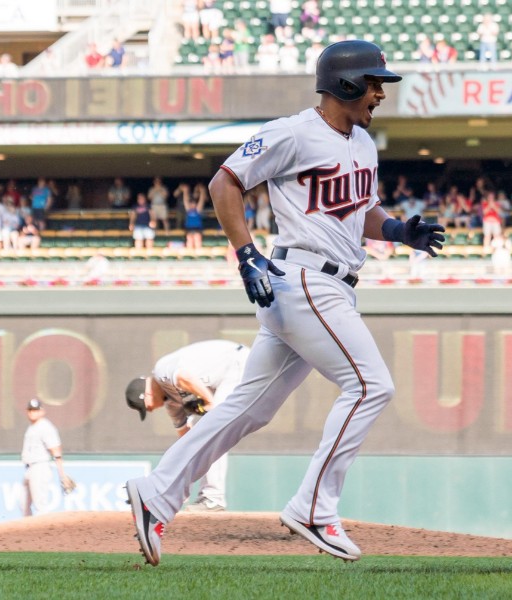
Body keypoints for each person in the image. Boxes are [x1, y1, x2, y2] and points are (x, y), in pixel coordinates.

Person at [125, 39, 444, 567]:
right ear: (343, 84)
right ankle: (314, 507)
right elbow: (225, 182)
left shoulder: (363, 144)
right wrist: (245, 254)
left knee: (247, 408)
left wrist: (397, 230)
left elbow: (359, 209)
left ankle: (156, 492)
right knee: (370, 386)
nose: (380, 94)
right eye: (373, 83)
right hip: (302, 279)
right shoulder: (293, 132)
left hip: (328, 284)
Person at [125, 340, 251, 512]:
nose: (151, 410)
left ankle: (213, 499)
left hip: (236, 362)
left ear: (146, 395)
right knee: (204, 439)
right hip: (227, 375)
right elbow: (187, 442)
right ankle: (198, 497)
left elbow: (185, 378)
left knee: (213, 433)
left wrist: (209, 403)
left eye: (146, 407)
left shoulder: (161, 370)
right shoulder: (172, 405)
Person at [21, 398, 72, 516]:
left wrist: (62, 474)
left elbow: (56, 450)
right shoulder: (33, 427)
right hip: (30, 468)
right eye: (30, 410)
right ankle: (26, 532)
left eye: (35, 410)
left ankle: (43, 533)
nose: (33, 412)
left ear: (42, 411)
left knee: (40, 505)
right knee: (24, 504)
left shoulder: (45, 426)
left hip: (40, 467)